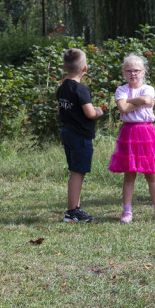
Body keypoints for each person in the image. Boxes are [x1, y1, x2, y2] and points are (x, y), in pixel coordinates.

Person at [108, 53, 155, 223]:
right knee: (129, 174)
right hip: (129, 134)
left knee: (151, 174)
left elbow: (148, 100)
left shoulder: (148, 88)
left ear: (143, 72)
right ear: (124, 72)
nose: (133, 73)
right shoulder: (121, 90)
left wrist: (132, 102)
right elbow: (123, 108)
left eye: (137, 70)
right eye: (129, 70)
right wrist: (138, 102)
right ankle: (127, 212)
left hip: (147, 133)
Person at [57, 48, 103, 222]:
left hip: (67, 132)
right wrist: (98, 111)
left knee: (75, 171)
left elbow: (59, 110)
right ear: (85, 69)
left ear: (64, 66)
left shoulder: (62, 88)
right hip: (80, 136)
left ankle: (75, 208)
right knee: (78, 172)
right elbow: (90, 113)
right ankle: (72, 211)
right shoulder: (81, 89)